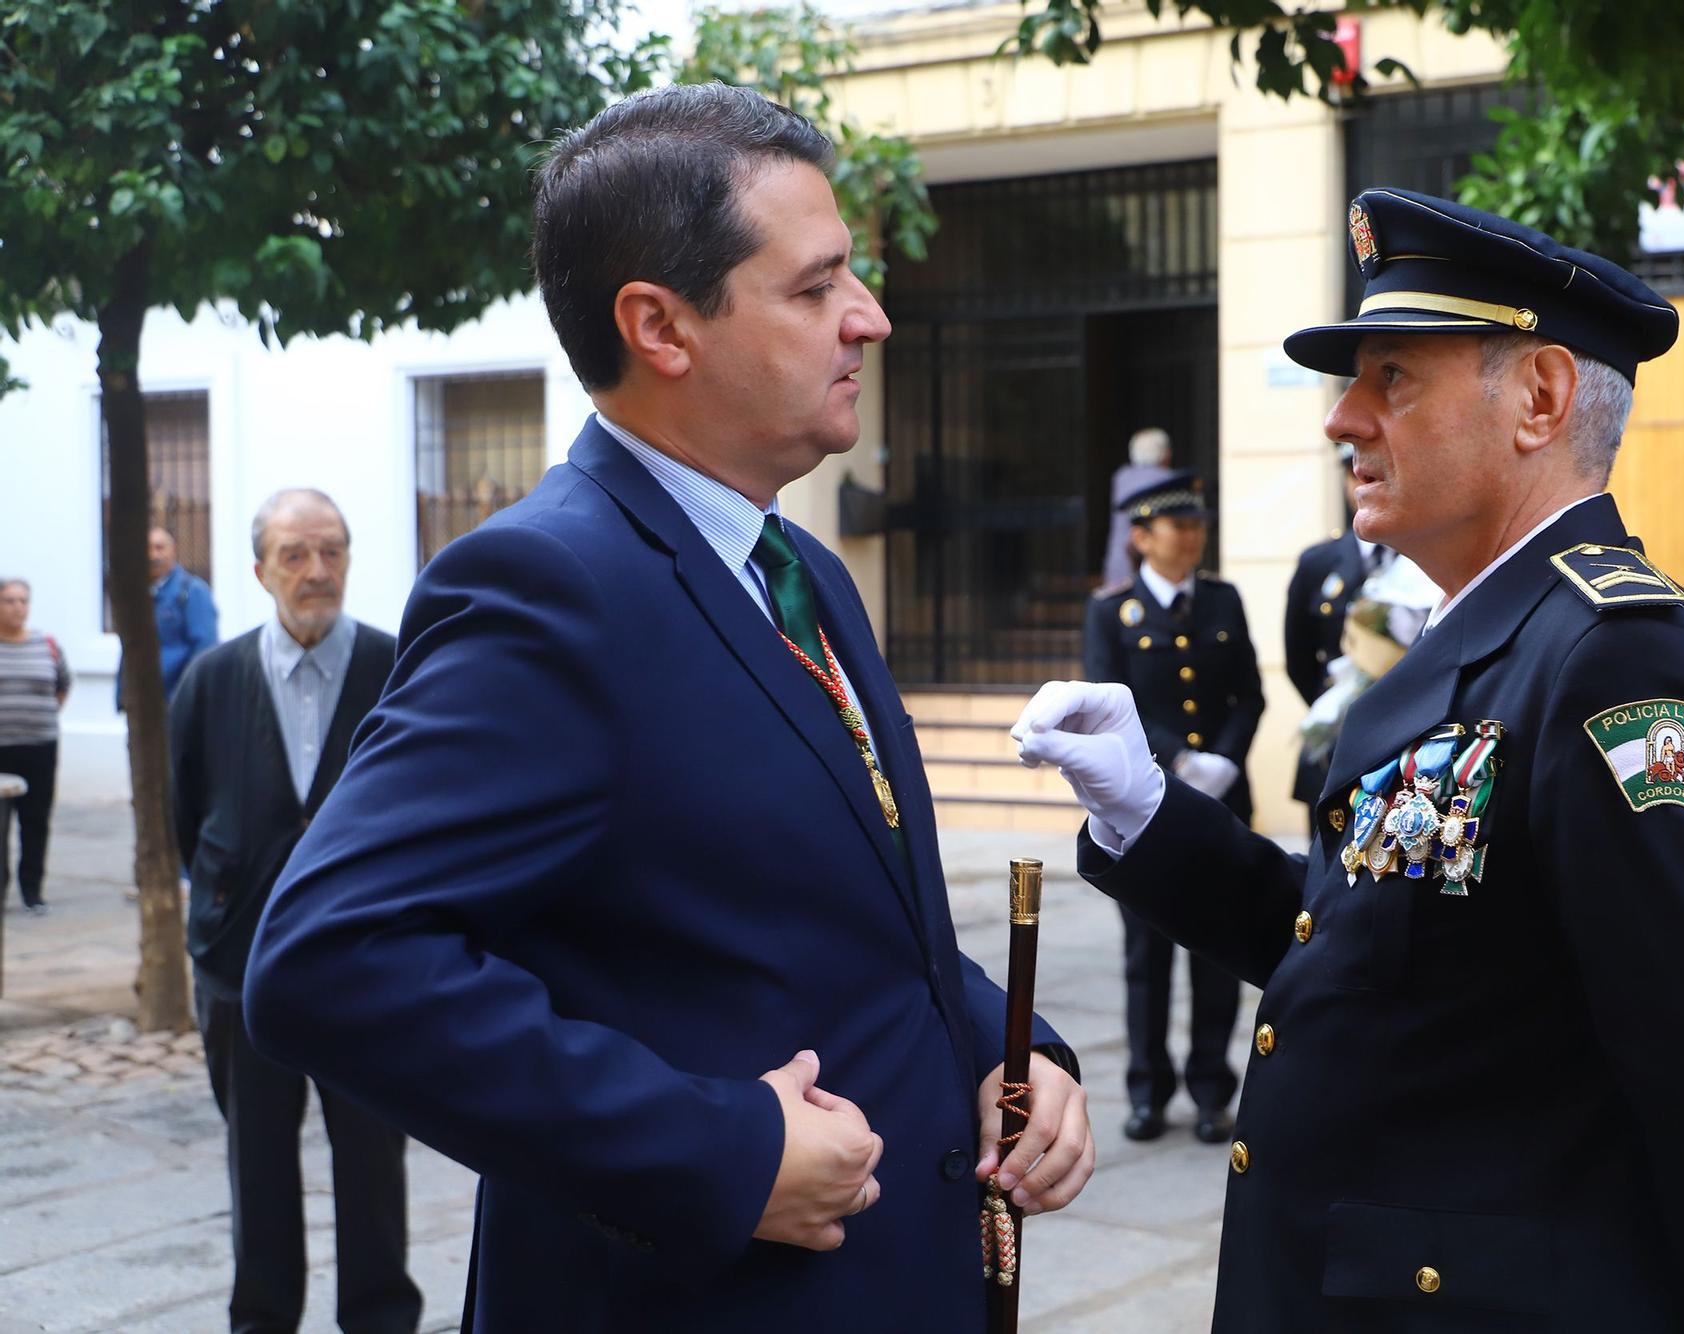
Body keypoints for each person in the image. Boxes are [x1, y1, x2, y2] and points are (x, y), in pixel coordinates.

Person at [242, 85, 1091, 1333]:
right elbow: (331, 959)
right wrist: (719, 1146)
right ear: (661, 325)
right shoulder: (549, 588)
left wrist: (1014, 1050)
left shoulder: (795, 573)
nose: (870, 316)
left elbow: (853, 922)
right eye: (813, 289)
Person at [1013, 188, 1684, 1332]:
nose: (1340, 418)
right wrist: (1148, 815)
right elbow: (1357, 951)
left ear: (1539, 399)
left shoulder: (1614, 664)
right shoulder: (1478, 640)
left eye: (1391, 376)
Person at [169, 490, 421, 1334]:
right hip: (242, 971)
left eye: (332, 552)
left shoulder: (400, 668)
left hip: (369, 971)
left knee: (374, 1165)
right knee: (259, 1168)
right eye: (294, 554)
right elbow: (189, 813)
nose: (317, 572)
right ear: (259, 569)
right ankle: (263, 1319)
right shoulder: (211, 680)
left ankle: (381, 1318)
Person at [1084, 470, 1262, 1144]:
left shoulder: (1224, 600)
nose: (1192, 536)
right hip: (1147, 807)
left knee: (1219, 948)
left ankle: (1213, 1090)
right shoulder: (1112, 612)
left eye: (1197, 525)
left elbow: (1248, 693)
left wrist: (1226, 758)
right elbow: (1107, 702)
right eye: (1177, 526)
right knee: (1147, 955)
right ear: (1141, 537)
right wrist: (1179, 763)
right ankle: (1146, 1091)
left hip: (1223, 798)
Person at [1282, 441, 1383, 823]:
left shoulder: (1418, 558)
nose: (1359, 482)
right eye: (1351, 473)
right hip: (1334, 744)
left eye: (1369, 472)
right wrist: (1335, 706)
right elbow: (1298, 658)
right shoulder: (1318, 563)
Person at [0, 578, 69, 916]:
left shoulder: (48, 645)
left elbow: (61, 687)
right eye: (9, 600)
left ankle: (32, 891)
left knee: (36, 820)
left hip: (40, 747)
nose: (17, 607)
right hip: (2, 748)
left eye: (23, 600)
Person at [117, 526, 219, 710]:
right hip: (141, 704)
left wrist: (186, 698)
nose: (153, 555)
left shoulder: (191, 591)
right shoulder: (138, 595)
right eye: (147, 548)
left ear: (173, 550)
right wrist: (123, 695)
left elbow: (204, 649)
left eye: (160, 547)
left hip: (175, 703)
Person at [1100, 426, 1174, 589]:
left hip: (1118, 566)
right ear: (1166, 455)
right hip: (1152, 567)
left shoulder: (1122, 477)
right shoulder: (1167, 480)